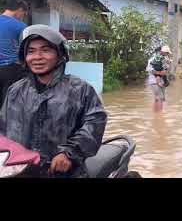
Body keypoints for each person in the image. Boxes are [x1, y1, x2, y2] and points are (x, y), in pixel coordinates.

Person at [0, 25, 107, 177]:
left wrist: (69, 153)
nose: (37, 57)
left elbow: (95, 123)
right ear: (24, 57)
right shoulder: (15, 91)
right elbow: (3, 130)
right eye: (31, 51)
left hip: (65, 172)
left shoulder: (80, 89)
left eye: (45, 50)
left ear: (60, 54)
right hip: (21, 171)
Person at [0, 0, 28, 108]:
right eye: (24, 14)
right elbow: (26, 50)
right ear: (20, 10)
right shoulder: (21, 26)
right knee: (8, 106)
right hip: (11, 70)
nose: (22, 17)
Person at [146, 45, 171, 112]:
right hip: (154, 82)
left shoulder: (165, 59)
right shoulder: (151, 60)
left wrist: (166, 69)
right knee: (159, 97)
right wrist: (160, 73)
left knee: (160, 98)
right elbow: (150, 70)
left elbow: (167, 70)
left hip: (162, 81)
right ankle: (159, 115)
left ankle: (158, 114)